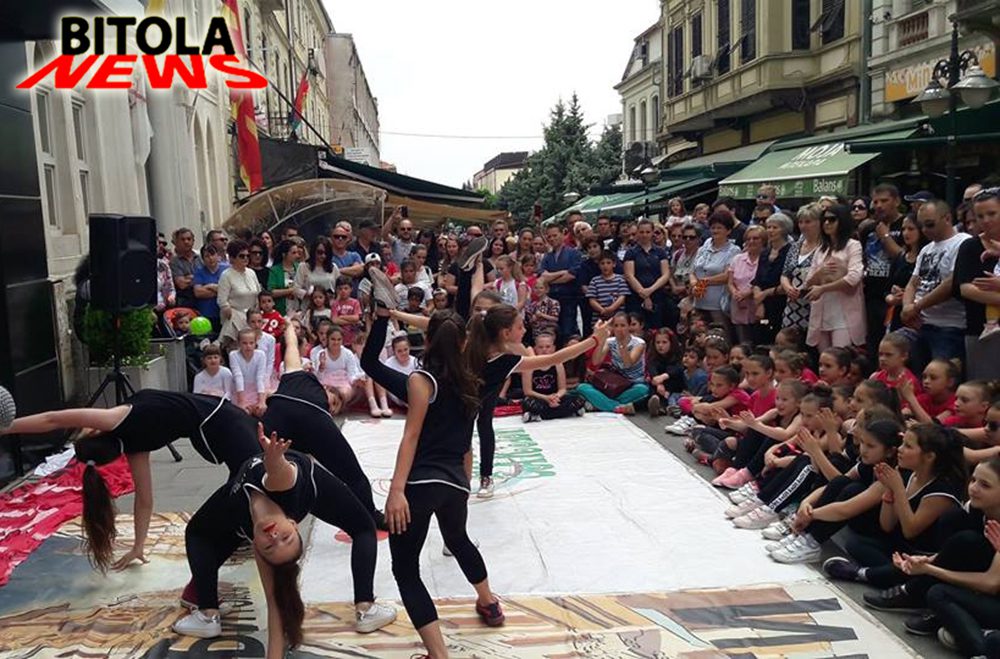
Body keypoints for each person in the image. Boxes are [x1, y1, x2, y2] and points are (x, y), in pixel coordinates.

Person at [174, 427, 396, 647]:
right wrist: (275, 461)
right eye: (286, 538)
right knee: (364, 526)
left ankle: (208, 614)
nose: (274, 537)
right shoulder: (284, 487)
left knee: (197, 531)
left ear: (256, 547)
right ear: (293, 524)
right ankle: (366, 607)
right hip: (310, 484)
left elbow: (274, 604)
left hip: (248, 496)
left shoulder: (249, 527)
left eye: (270, 547)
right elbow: (280, 475)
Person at [0, 390, 259, 572]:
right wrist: (6, 427)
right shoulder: (115, 420)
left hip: (218, 421)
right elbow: (53, 419)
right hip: (223, 419)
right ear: (93, 433)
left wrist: (138, 546)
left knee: (249, 483)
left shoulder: (133, 442)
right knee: (250, 484)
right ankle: (245, 534)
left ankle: (244, 534)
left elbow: (144, 500)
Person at [262, 322, 387, 528]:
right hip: (299, 417)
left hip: (281, 420)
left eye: (335, 407)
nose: (332, 407)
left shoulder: (292, 374)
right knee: (354, 476)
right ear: (327, 388)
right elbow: (291, 344)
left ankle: (276, 518)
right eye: (334, 402)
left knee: (271, 474)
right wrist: (290, 325)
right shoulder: (296, 372)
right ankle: (371, 515)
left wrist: (290, 326)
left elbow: (291, 343)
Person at [900, 200, 970, 371]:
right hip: (921, 323)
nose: (925, 230)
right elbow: (912, 283)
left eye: (930, 224)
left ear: (947, 218)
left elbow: (951, 284)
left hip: (950, 326)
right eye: (921, 225)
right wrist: (907, 307)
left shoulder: (963, 242)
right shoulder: (926, 249)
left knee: (942, 378)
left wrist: (915, 307)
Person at [804, 204, 865, 350]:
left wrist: (823, 288)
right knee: (824, 358)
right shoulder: (820, 250)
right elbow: (808, 283)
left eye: (832, 219)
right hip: (821, 313)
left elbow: (854, 277)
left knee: (840, 356)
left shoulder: (853, 245)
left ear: (842, 221)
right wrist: (820, 273)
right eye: (824, 220)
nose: (827, 223)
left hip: (844, 314)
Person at [955, 186, 1000, 380]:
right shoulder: (970, 246)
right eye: (980, 216)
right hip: (980, 329)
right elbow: (966, 288)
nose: (986, 220)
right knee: (983, 387)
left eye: (992, 214)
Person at [860, 183, 906, 350]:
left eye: (884, 201)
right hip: (871, 295)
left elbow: (904, 258)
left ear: (896, 201)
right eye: (876, 201)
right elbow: (863, 258)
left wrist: (885, 237)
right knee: (873, 344)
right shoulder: (868, 229)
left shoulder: (906, 225)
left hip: (894, 295)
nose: (879, 205)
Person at [575, 312, 649, 415]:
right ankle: (618, 407)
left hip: (632, 384)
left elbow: (628, 364)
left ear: (628, 326)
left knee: (643, 390)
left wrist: (622, 344)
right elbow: (596, 361)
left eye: (623, 325)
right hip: (613, 385)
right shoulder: (610, 341)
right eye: (616, 326)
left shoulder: (639, 343)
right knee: (582, 387)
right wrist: (601, 340)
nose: (619, 329)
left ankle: (601, 404)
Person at [691, 210, 741, 336]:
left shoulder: (734, 251)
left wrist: (704, 282)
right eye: (713, 227)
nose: (715, 230)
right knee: (698, 335)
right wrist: (694, 284)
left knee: (721, 335)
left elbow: (727, 276)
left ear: (728, 231)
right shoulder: (703, 248)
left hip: (718, 304)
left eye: (719, 228)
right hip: (699, 301)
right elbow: (693, 270)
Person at [521, 332, 585, 422]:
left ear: (553, 348)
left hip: (555, 398)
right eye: (540, 347)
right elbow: (528, 391)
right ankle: (564, 412)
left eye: (548, 347)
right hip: (539, 399)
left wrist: (556, 397)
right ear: (535, 348)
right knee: (527, 402)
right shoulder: (529, 365)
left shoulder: (558, 364)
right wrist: (546, 398)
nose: (544, 350)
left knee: (579, 399)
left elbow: (562, 389)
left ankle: (540, 415)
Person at [623, 218, 673, 331]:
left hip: (657, 295)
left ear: (652, 233)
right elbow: (629, 275)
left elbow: (665, 274)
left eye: (647, 232)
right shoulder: (631, 252)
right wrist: (643, 293)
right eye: (641, 232)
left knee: (656, 328)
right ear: (637, 233)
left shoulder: (660, 252)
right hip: (636, 297)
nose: (644, 235)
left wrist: (650, 290)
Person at [780, 204, 823, 332]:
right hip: (793, 306)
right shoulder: (795, 246)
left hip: (815, 305)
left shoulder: (825, 247)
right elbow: (785, 274)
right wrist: (788, 288)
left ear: (819, 223)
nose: (803, 226)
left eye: (808, 222)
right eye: (801, 222)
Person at [752, 213, 793, 345]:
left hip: (781, 304)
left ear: (784, 230)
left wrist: (764, 294)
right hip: (763, 306)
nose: (770, 230)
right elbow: (757, 280)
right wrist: (759, 302)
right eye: (768, 227)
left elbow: (788, 282)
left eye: (775, 227)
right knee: (760, 337)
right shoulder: (765, 253)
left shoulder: (791, 252)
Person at [539, 224, 582, 342]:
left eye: (555, 235)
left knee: (568, 331)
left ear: (563, 234)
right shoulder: (547, 257)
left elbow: (571, 275)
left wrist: (551, 279)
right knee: (552, 333)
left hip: (569, 298)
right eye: (549, 237)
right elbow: (543, 276)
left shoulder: (573, 253)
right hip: (551, 299)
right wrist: (561, 272)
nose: (552, 239)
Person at [217, 240, 261, 347]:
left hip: (252, 318)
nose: (246, 258)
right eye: (241, 256)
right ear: (232, 258)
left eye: (247, 255)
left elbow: (258, 293)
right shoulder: (226, 275)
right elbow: (222, 301)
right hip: (234, 318)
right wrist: (231, 315)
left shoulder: (251, 273)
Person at [727, 225, 764, 345]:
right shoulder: (737, 259)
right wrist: (735, 293)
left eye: (755, 238)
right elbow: (730, 282)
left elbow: (764, 282)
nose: (751, 241)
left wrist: (747, 293)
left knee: (757, 341)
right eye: (748, 239)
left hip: (757, 307)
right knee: (742, 342)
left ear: (763, 240)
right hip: (738, 306)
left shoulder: (766, 259)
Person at [267, 239, 302, 315]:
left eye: (297, 253)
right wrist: (290, 291)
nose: (297, 255)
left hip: (299, 311)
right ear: (284, 254)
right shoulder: (275, 270)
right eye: (293, 253)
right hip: (281, 311)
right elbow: (271, 292)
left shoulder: (300, 267)